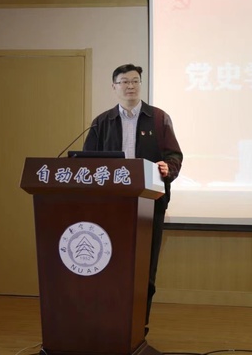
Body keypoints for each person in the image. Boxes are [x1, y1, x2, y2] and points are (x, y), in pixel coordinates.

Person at [83, 63, 183, 334]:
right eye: (124, 81)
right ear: (114, 87)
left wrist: (168, 168)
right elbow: (85, 162)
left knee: (144, 267)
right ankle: (109, 320)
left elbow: (174, 155)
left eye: (135, 81)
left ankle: (140, 323)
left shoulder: (158, 118)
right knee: (110, 264)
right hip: (110, 206)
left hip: (149, 204)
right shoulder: (102, 122)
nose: (130, 86)